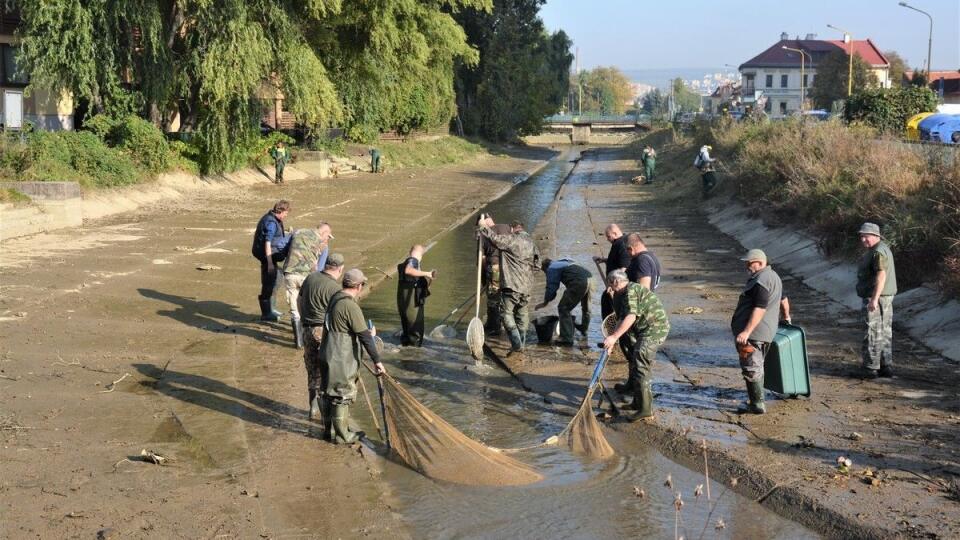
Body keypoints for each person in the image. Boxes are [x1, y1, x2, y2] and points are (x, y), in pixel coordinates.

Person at [320, 269, 386, 444]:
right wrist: (377, 361)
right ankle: (343, 436)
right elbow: (364, 336)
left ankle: (329, 431)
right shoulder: (350, 306)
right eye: (362, 285)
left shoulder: (335, 298)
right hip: (340, 357)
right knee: (342, 395)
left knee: (328, 393)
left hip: (326, 352)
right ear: (358, 286)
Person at [601, 269, 670, 418]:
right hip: (642, 329)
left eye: (611, 285)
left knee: (641, 366)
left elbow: (631, 317)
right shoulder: (622, 293)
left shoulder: (631, 291)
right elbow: (621, 319)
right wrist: (613, 338)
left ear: (616, 281)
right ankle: (637, 402)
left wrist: (613, 338)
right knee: (634, 359)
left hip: (654, 329)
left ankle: (645, 410)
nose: (610, 289)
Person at [730, 249, 790, 414]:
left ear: (760, 262)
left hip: (754, 335)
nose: (747, 266)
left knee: (751, 367)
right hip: (765, 333)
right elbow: (784, 300)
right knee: (757, 365)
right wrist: (786, 317)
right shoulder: (774, 277)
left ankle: (757, 404)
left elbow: (760, 307)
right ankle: (756, 400)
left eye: (750, 263)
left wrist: (746, 332)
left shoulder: (761, 280)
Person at [478, 216, 541, 356]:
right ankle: (521, 344)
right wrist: (527, 275)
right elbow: (538, 265)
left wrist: (483, 227)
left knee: (506, 314)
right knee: (522, 314)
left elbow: (495, 239)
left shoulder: (512, 240)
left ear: (514, 229)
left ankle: (517, 343)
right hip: (527, 286)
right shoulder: (532, 243)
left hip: (512, 285)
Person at [297, 253, 345, 425]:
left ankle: (312, 408)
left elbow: (299, 299)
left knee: (312, 370)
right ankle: (327, 417)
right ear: (340, 269)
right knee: (327, 373)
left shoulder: (310, 278)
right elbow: (338, 315)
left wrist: (303, 319)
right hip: (323, 331)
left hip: (307, 329)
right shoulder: (335, 288)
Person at [856, 223, 897, 379]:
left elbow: (881, 276)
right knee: (885, 330)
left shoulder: (878, 252)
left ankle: (870, 368)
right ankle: (885, 366)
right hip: (884, 297)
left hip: (877, 297)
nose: (863, 239)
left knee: (872, 331)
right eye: (862, 236)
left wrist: (873, 299)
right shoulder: (881, 249)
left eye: (866, 236)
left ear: (876, 236)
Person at [282, 222, 333, 348]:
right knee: (307, 304)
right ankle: (307, 335)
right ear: (324, 232)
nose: (328, 239)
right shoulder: (322, 244)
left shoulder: (298, 232)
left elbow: (283, 245)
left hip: (290, 273)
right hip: (307, 276)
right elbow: (320, 267)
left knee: (294, 306)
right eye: (328, 236)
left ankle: (298, 342)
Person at [534, 258, 594, 346]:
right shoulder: (562, 262)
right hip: (591, 279)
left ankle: (566, 338)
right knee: (586, 307)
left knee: (563, 308)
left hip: (579, 282)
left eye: (544, 272)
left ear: (545, 268)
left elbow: (552, 287)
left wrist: (545, 303)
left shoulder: (551, 268)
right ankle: (584, 329)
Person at [251, 200, 290, 321]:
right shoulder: (271, 223)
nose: (286, 216)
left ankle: (271, 309)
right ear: (281, 211)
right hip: (267, 256)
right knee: (269, 282)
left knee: (276, 279)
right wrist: (269, 263)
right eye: (286, 213)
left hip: (270, 255)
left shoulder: (271, 218)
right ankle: (266, 314)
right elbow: (267, 243)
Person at [397, 244, 437, 347]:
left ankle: (405, 350)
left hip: (404, 301)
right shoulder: (413, 261)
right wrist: (427, 273)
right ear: (421, 254)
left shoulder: (406, 264)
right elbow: (408, 270)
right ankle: (414, 355)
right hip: (412, 303)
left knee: (407, 329)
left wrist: (429, 280)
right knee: (415, 330)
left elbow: (421, 285)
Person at [481, 215, 514, 334]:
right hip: (510, 266)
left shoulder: (483, 234)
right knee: (507, 294)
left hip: (495, 266)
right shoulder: (507, 227)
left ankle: (494, 327)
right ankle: (508, 324)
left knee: (493, 297)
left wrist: (485, 280)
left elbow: (482, 260)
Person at [593, 224, 632, 320]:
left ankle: (613, 328)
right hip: (614, 284)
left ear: (615, 233)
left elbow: (624, 267)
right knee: (606, 300)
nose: (607, 239)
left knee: (608, 303)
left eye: (609, 236)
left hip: (618, 286)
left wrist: (614, 285)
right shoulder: (617, 243)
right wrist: (604, 260)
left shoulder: (621, 244)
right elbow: (615, 261)